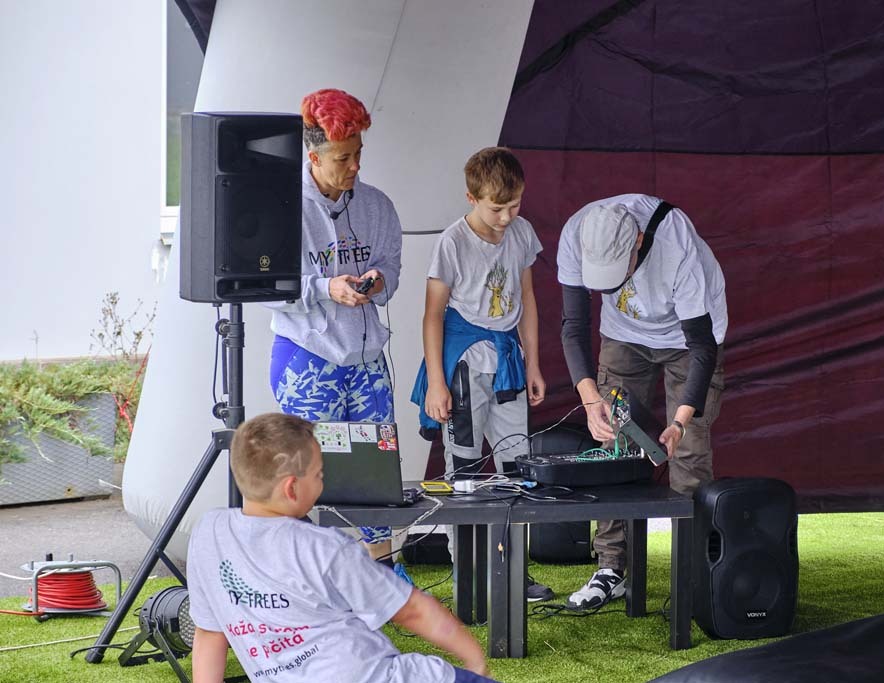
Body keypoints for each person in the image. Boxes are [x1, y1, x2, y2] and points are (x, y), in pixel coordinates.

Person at [187, 412, 496, 683]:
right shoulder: (324, 547)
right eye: (319, 474)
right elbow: (411, 610)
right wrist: (473, 656)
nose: (322, 481)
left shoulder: (208, 534)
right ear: (291, 488)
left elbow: (210, 633)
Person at [557, 194, 728, 610]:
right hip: (623, 335)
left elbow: (702, 348)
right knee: (612, 443)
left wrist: (680, 423)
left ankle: (691, 574)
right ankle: (611, 567)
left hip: (686, 338)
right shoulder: (576, 234)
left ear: (636, 241)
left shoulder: (677, 247)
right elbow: (574, 326)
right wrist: (590, 399)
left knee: (688, 452)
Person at [264, 88, 402, 569]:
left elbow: (392, 267)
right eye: (343, 158)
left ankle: (382, 575)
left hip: (367, 361)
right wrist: (326, 288)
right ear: (314, 156)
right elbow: (268, 288)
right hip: (308, 357)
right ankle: (307, 578)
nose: (354, 166)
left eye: (358, 153)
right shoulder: (282, 208)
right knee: (306, 477)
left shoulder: (377, 206)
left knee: (376, 474)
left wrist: (379, 280)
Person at [410, 147, 553, 602]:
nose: (507, 217)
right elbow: (432, 315)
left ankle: (514, 573)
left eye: (515, 205)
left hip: (508, 360)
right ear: (472, 198)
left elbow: (527, 299)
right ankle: (467, 572)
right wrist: (437, 382)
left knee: (516, 466)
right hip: (464, 364)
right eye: (497, 208)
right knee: (465, 470)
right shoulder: (452, 242)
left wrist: (533, 362)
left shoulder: (522, 232)